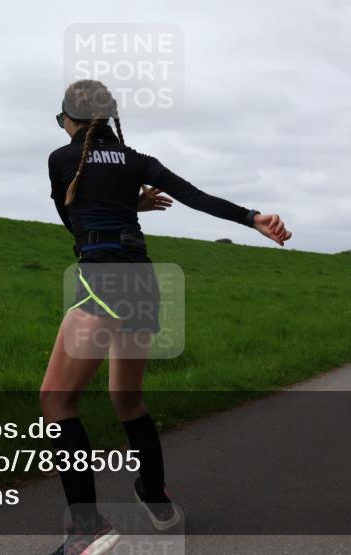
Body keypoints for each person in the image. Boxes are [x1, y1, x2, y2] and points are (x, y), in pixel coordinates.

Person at [42, 80, 291, 555]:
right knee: (127, 401)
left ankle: (86, 528)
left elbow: (70, 217)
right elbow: (196, 197)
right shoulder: (138, 161)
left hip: (103, 279)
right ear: (110, 119)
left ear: (70, 121)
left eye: (62, 120)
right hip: (143, 284)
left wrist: (117, 205)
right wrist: (253, 217)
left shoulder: (61, 159)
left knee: (56, 402)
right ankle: (156, 499)